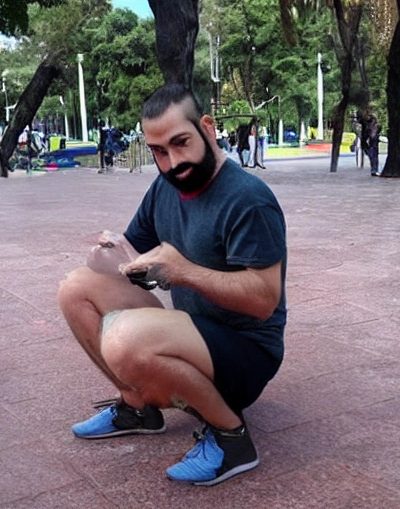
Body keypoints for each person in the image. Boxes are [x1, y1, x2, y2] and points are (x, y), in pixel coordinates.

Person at [58, 84, 287, 486]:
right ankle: (139, 409)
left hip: (246, 355)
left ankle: (232, 439)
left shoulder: (249, 199)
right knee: (75, 288)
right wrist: (108, 253)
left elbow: (264, 301)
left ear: (208, 128)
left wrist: (183, 272)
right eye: (159, 152)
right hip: (190, 335)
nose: (173, 161)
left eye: (180, 143)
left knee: (124, 339)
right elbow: (132, 250)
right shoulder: (166, 187)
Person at [359, 110, 381, 176]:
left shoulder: (372, 121)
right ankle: (374, 168)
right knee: (372, 153)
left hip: (372, 137)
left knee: (373, 153)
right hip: (369, 137)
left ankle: (374, 169)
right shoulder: (366, 121)